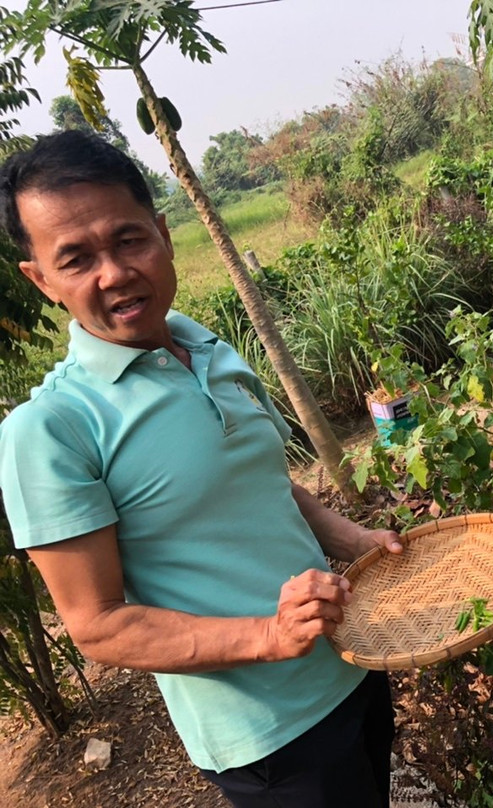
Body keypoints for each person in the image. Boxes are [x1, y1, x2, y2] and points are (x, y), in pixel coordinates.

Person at [0, 130, 403, 808]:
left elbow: (262, 485)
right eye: (76, 258)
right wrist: (271, 636)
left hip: (354, 662)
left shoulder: (205, 345)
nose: (115, 273)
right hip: (270, 736)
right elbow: (97, 625)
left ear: (162, 232)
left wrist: (354, 541)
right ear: (40, 280)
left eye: (129, 240)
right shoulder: (50, 432)